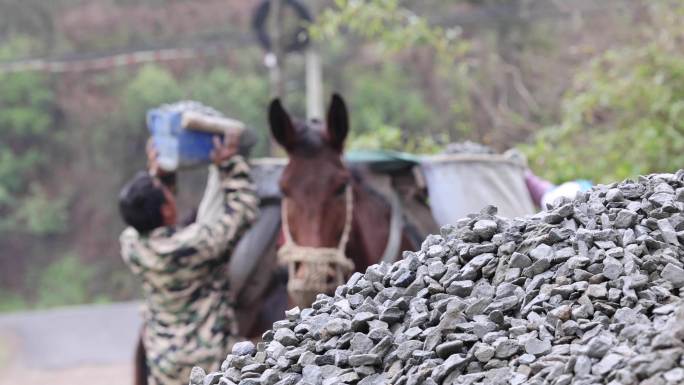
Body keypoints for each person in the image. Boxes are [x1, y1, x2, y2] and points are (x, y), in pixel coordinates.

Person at [118, 133, 258, 385]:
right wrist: (230, 164)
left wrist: (159, 176)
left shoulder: (131, 245)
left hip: (164, 364)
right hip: (210, 362)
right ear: (166, 209)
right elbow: (244, 210)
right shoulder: (197, 244)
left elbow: (150, 208)